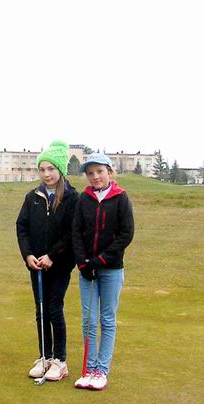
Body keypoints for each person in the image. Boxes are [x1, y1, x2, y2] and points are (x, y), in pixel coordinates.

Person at [16, 140, 78, 381]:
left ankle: (60, 361)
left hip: (60, 264)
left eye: (51, 169)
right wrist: (28, 254)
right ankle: (45, 357)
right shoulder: (32, 197)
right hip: (36, 264)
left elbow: (72, 233)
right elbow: (22, 227)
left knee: (54, 308)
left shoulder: (72, 198)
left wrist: (53, 255)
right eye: (42, 169)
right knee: (40, 310)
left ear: (60, 169)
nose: (46, 174)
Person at [72, 153, 134, 390]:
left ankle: (101, 371)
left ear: (109, 171)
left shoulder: (120, 198)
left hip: (111, 269)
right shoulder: (83, 199)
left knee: (107, 320)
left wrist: (101, 260)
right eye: (90, 173)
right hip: (87, 270)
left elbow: (126, 234)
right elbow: (76, 232)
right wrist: (82, 263)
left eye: (99, 171)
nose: (95, 176)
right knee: (88, 321)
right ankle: (88, 370)